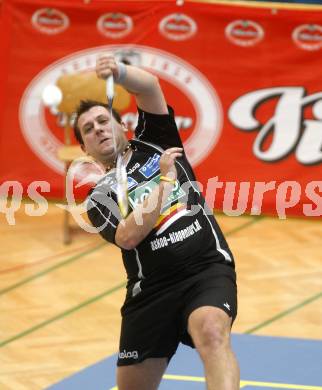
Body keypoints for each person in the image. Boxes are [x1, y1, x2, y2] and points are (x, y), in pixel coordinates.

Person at [73, 54, 239, 390]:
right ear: (85, 149)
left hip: (205, 269)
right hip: (151, 292)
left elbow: (149, 86)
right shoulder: (98, 199)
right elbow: (129, 235)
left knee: (211, 329)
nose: (99, 129)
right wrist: (164, 183)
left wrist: (119, 72)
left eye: (104, 121)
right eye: (88, 130)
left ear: (122, 125)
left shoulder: (156, 139)